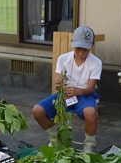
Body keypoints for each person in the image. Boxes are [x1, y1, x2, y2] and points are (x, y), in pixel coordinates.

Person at [33, 25, 102, 153]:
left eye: (85, 50)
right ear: (72, 44)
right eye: (78, 49)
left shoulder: (96, 62)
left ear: (92, 46)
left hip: (85, 95)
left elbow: (91, 89)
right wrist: (58, 84)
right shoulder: (63, 59)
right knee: (37, 111)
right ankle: (55, 138)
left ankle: (88, 145)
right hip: (65, 95)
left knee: (91, 114)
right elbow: (59, 81)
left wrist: (78, 91)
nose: (81, 53)